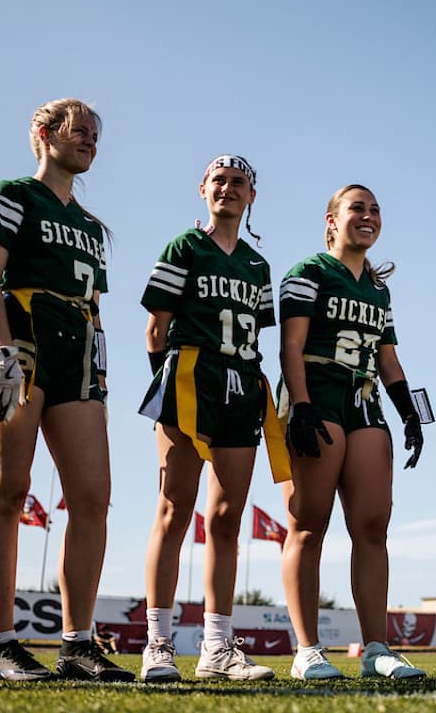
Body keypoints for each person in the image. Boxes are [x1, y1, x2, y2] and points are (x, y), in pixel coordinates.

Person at [0, 98, 132, 683]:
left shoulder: (90, 224)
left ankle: (78, 645)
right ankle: (1, 645)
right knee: (8, 490)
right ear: (44, 133)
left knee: (92, 497)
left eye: (95, 134)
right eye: (78, 130)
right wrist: (1, 348)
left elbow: (96, 305)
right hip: (21, 340)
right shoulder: (13, 192)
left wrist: (101, 368)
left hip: (77, 355)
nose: (89, 140)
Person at [137, 155, 281, 682]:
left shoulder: (257, 266)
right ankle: (158, 644)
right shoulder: (184, 247)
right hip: (188, 377)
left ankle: (218, 647)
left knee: (227, 517)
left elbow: (259, 333)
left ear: (251, 196)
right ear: (203, 189)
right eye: (218, 180)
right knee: (176, 508)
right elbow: (156, 330)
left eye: (238, 181)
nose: (227, 188)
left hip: (241, 385)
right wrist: (169, 387)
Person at [277, 184, 427, 681]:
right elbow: (291, 347)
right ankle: (307, 650)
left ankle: (377, 648)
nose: (368, 216)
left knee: (372, 526)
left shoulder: (379, 289)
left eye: (375, 210)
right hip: (316, 394)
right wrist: (299, 405)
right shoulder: (307, 273)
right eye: (357, 209)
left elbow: (387, 358)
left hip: (363, 401)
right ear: (331, 219)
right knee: (309, 522)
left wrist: (409, 413)